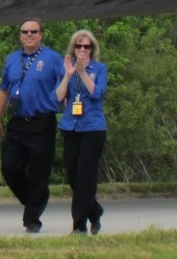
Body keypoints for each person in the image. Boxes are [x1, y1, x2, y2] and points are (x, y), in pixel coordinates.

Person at [0, 17, 62, 234]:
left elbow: (64, 88)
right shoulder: (13, 59)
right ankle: (34, 199)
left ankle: (32, 219)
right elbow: (4, 90)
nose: (29, 35)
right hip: (18, 120)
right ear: (20, 35)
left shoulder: (53, 59)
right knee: (9, 166)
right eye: (24, 32)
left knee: (39, 172)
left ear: (41, 34)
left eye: (33, 32)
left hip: (42, 120)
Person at [55, 29, 107, 234]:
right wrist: (68, 76)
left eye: (87, 46)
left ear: (92, 49)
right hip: (71, 125)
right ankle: (94, 211)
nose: (83, 50)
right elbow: (58, 97)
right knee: (73, 175)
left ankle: (79, 226)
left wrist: (83, 72)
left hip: (93, 127)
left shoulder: (99, 68)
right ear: (73, 48)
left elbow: (97, 93)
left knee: (86, 174)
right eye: (79, 46)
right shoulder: (66, 68)